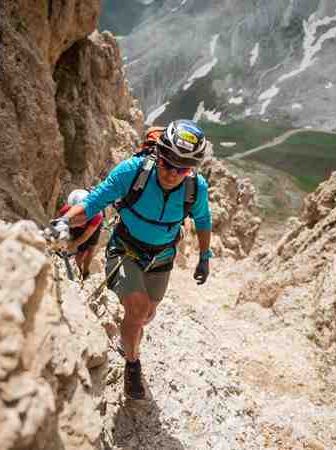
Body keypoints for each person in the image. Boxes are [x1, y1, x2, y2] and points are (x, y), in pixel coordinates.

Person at [50, 120, 212, 399]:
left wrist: (205, 257)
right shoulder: (132, 172)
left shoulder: (195, 188)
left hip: (162, 257)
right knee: (137, 311)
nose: (173, 173)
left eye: (183, 168)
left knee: (147, 313)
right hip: (124, 249)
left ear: (192, 168)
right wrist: (64, 221)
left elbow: (203, 220)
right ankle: (133, 365)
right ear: (158, 154)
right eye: (167, 163)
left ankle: (131, 337)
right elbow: (93, 203)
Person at [59, 189, 104, 280]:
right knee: (80, 252)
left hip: (93, 226)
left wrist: (73, 244)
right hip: (77, 226)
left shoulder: (97, 215)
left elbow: (86, 235)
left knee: (91, 248)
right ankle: (78, 271)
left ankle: (85, 272)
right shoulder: (66, 212)